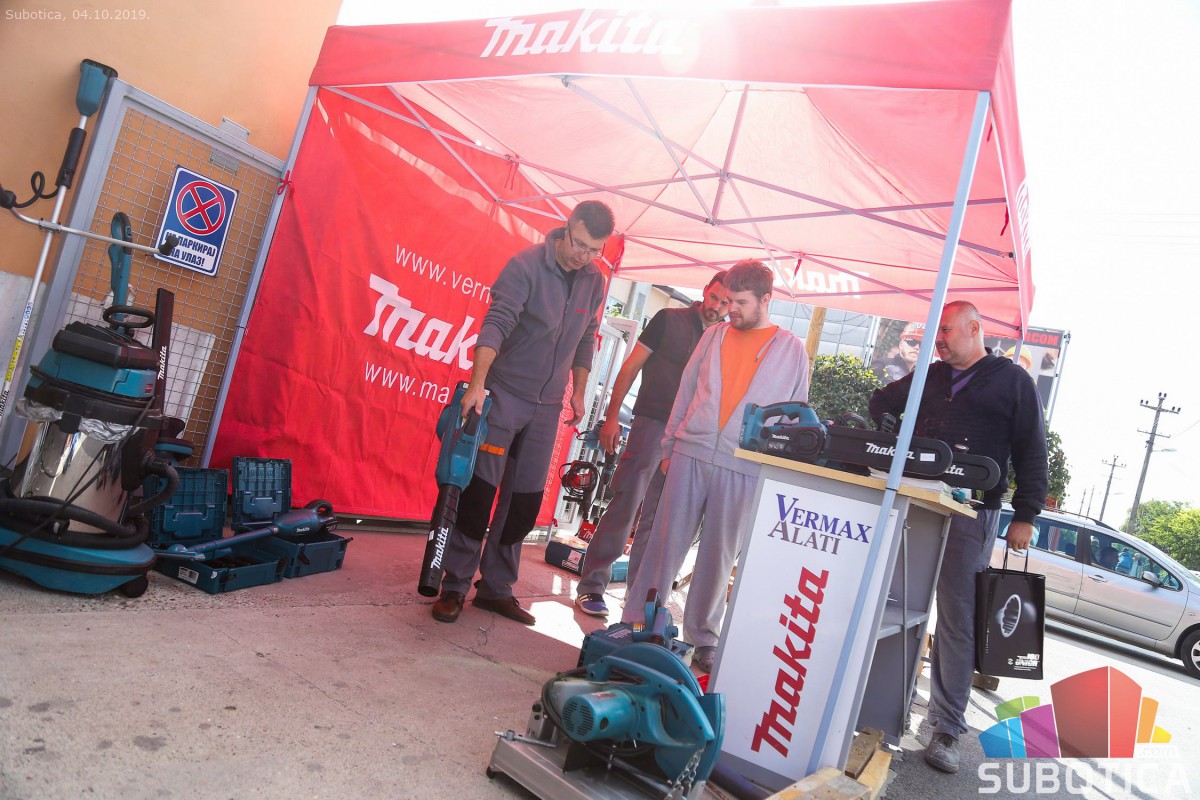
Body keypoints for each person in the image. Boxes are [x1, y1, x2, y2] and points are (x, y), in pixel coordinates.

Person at [869, 300, 1047, 775]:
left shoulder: (1013, 381)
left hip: (973, 513)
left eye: (946, 331)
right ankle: (878, 708)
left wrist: (1026, 514)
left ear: (974, 328)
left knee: (957, 620)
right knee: (895, 607)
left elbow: (1033, 450)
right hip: (917, 502)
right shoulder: (930, 376)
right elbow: (882, 401)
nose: (939, 340)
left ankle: (946, 728)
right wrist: (891, 426)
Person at [619, 259, 811, 673]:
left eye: (740, 303)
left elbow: (795, 416)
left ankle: (703, 638)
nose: (730, 309)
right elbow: (686, 392)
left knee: (718, 556)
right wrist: (669, 447)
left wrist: (773, 467)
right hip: (690, 452)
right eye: (727, 301)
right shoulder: (713, 336)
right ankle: (637, 621)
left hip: (745, 465)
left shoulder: (792, 349)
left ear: (766, 299)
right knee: (663, 544)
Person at [430, 201, 615, 626]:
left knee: (524, 501)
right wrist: (477, 385)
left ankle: (496, 589)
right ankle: (454, 585)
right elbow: (495, 324)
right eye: (580, 244)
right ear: (567, 228)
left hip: (547, 407)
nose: (584, 256)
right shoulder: (526, 266)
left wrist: (579, 391)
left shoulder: (594, 281)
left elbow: (587, 337)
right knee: (479, 493)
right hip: (504, 396)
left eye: (594, 250)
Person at [573, 271, 731, 617]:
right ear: (705, 290)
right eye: (714, 297)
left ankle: (637, 600)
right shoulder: (668, 319)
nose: (717, 307)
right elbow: (630, 367)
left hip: (688, 438)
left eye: (725, 303)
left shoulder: (725, 339)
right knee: (626, 504)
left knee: (659, 520)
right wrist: (611, 417)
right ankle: (591, 587)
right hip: (651, 425)